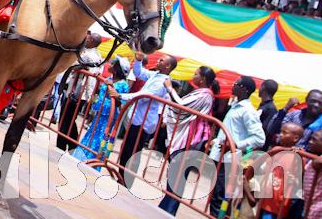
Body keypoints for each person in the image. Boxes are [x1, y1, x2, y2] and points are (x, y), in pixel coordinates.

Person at [157, 66, 218, 215]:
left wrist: (170, 89)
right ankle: (165, 209)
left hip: (191, 140)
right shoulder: (202, 93)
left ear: (203, 78)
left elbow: (182, 106)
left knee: (177, 180)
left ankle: (167, 211)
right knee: (175, 179)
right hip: (187, 138)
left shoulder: (205, 95)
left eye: (196, 74)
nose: (193, 76)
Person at [208, 76, 265, 216]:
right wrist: (215, 142)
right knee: (217, 195)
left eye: (235, 83)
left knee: (220, 197)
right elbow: (232, 131)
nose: (232, 85)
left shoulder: (247, 111)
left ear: (243, 89)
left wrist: (235, 145)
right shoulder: (236, 105)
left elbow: (259, 138)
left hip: (231, 159)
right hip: (222, 156)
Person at [114, 52, 177, 175]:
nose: (158, 61)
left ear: (168, 66)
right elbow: (139, 73)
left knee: (132, 152)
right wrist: (138, 60)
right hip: (137, 119)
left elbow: (143, 96)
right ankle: (121, 176)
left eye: (161, 60)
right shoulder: (156, 75)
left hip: (143, 122)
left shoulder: (162, 82)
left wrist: (120, 96)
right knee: (127, 149)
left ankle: (126, 179)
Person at [72, 57, 131, 163]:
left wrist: (110, 88)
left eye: (113, 64)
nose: (110, 65)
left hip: (109, 116)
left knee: (101, 138)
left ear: (118, 68)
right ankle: (82, 156)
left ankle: (94, 160)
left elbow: (120, 102)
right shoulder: (108, 79)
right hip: (99, 112)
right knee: (91, 134)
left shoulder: (123, 84)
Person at [56, 33, 104, 151]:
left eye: (88, 37)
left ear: (92, 40)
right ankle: (71, 145)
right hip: (74, 90)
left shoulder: (91, 56)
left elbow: (91, 76)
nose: (86, 39)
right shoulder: (88, 52)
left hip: (77, 94)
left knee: (66, 119)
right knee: (67, 119)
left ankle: (65, 145)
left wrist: (88, 95)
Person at [257, 122, 305, 219]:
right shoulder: (276, 150)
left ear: (295, 138)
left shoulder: (299, 155)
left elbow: (299, 176)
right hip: (266, 196)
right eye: (280, 132)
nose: (280, 135)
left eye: (285, 133)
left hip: (280, 200)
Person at [257, 79, 279, 148]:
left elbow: (266, 130)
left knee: (247, 157)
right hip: (254, 144)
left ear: (263, 87)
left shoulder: (271, 108)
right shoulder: (263, 105)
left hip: (258, 148)